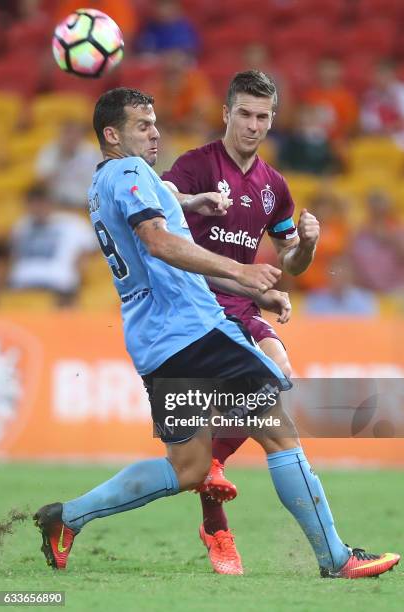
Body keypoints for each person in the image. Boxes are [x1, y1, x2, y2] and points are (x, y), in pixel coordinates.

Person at [33, 88, 399, 580]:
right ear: (112, 135)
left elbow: (160, 230)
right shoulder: (132, 171)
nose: (155, 131)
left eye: (156, 122)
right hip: (194, 328)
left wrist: (188, 204)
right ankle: (335, 559)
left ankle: (66, 518)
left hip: (154, 341)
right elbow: (159, 242)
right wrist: (243, 274)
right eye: (143, 125)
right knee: (278, 424)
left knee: (187, 468)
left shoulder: (102, 183)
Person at [160, 70, 378, 575]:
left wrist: (308, 244)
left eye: (263, 116)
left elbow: (291, 264)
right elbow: (159, 206)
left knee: (278, 383)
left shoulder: (273, 187)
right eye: (245, 114)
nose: (253, 125)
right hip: (192, 309)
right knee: (228, 423)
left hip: (241, 306)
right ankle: (217, 527)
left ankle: (214, 485)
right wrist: (190, 201)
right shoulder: (195, 166)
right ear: (226, 113)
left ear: (272, 120)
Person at [7, 184, 97, 306]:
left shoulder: (73, 223)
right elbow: (15, 256)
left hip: (58, 286)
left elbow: (89, 252)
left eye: (41, 202)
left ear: (50, 203)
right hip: (22, 285)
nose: (37, 207)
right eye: (33, 203)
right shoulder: (21, 225)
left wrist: (78, 275)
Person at [35, 120, 101, 210]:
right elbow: (41, 182)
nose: (71, 137)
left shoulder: (92, 153)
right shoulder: (50, 151)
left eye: (75, 133)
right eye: (67, 133)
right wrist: (61, 159)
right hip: (56, 204)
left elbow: (99, 182)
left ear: (81, 135)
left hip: (84, 205)